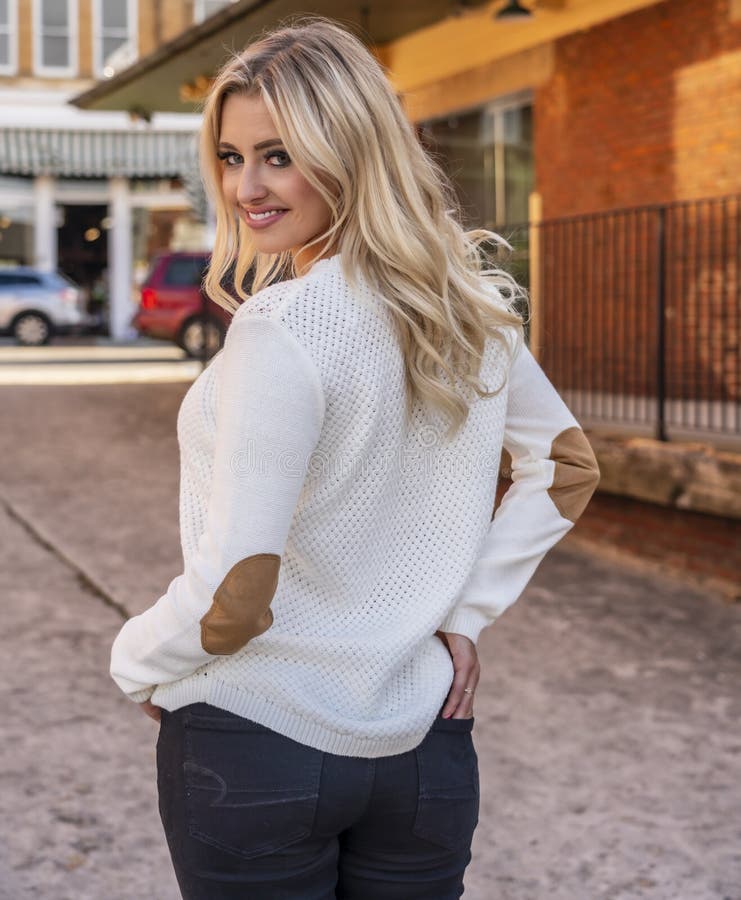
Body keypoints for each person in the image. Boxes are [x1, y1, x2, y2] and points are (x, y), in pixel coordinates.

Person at [109, 17, 601, 900]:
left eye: (278, 155)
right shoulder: (464, 309)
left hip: (256, 741)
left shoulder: (283, 325)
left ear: (350, 150)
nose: (246, 187)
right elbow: (565, 470)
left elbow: (235, 592)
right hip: (422, 749)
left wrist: (137, 659)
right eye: (229, 156)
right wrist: (462, 619)